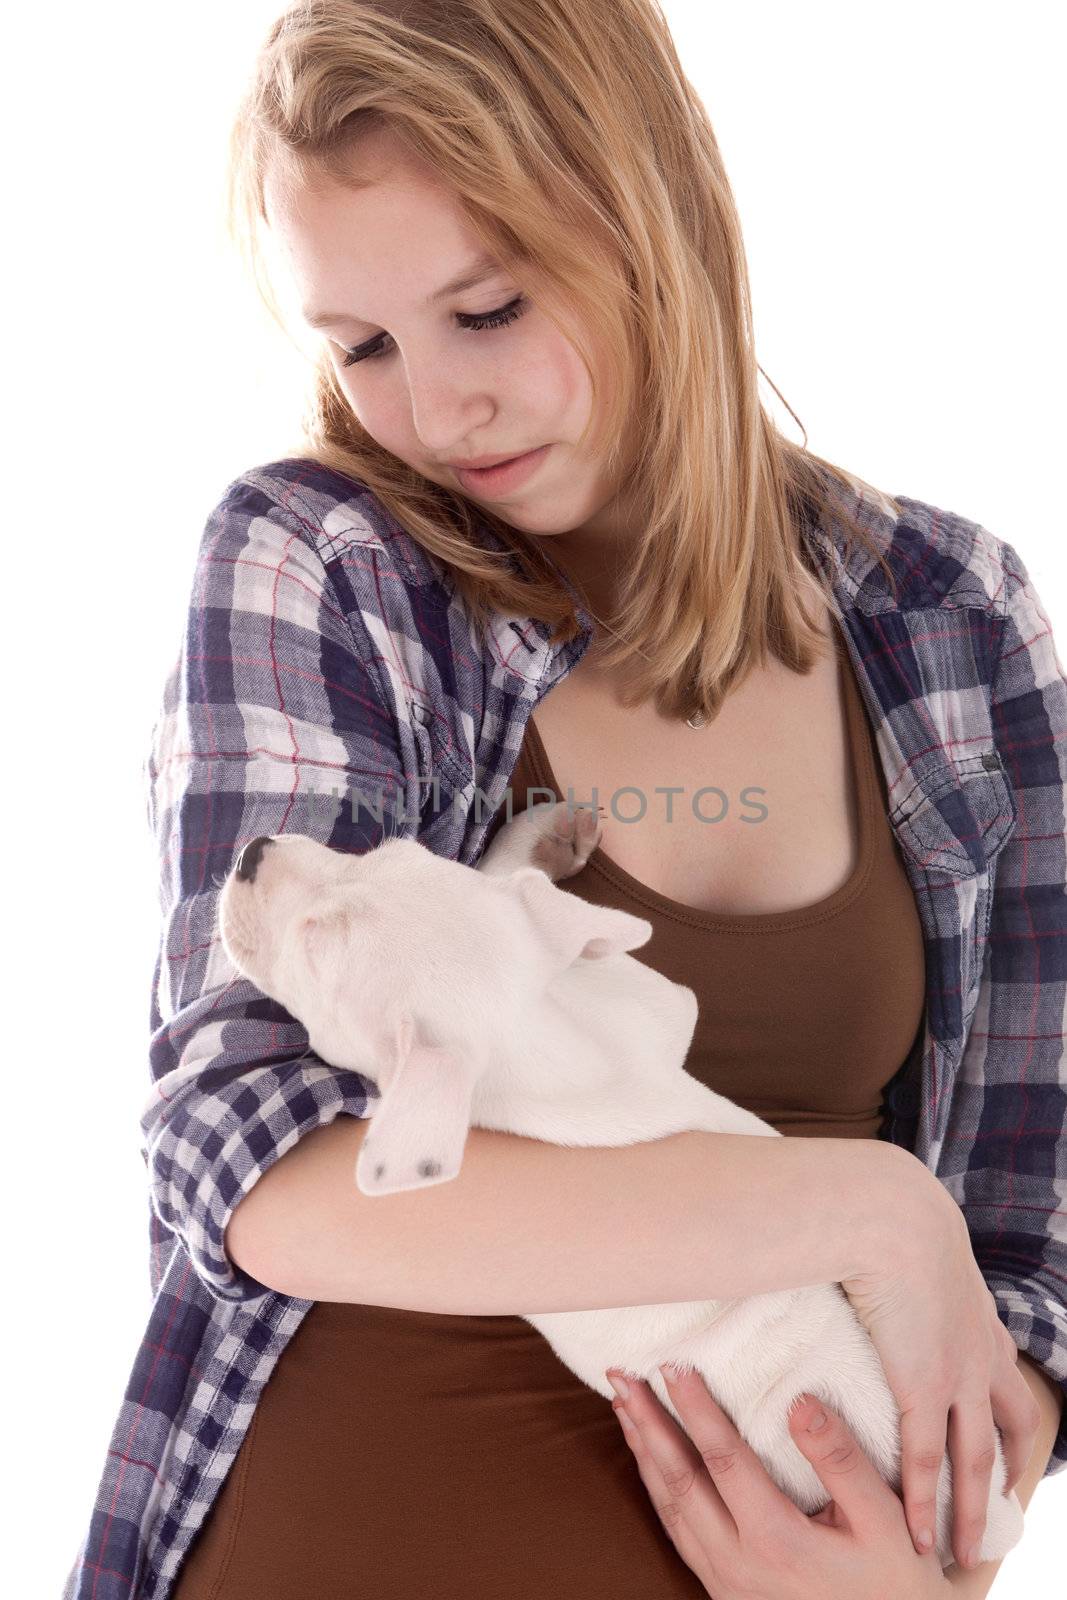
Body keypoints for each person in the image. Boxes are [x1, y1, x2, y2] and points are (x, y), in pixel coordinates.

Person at [63, 3, 1065, 1597]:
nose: (436, 409)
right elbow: (252, 1171)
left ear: (651, 211)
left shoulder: (950, 618)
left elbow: (1019, 1254)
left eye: (489, 307)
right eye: (363, 345)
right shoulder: (327, 568)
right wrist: (867, 1212)